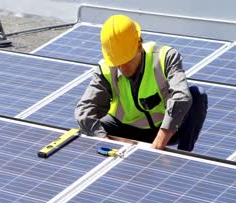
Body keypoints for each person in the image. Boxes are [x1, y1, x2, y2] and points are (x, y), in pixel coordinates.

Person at [75, 14, 208, 151]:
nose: (122, 68)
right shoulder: (105, 70)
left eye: (126, 60)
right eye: (117, 63)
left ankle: (182, 156)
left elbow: (182, 97)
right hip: (123, 129)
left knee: (197, 94)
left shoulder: (165, 57)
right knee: (86, 130)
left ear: (139, 45)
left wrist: (158, 144)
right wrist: (106, 140)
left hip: (164, 130)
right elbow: (84, 111)